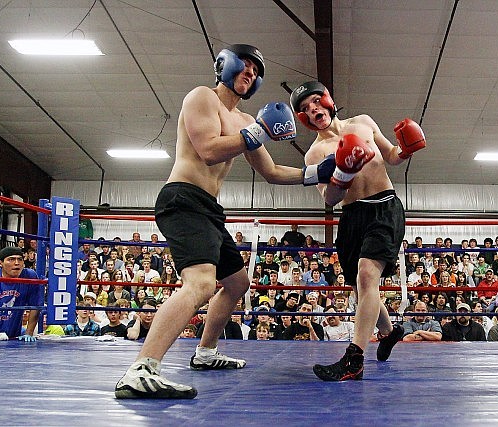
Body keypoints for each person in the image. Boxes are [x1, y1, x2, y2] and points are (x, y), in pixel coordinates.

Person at [115, 44, 337, 399]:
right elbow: (208, 148)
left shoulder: (247, 121)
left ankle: (205, 352)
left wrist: (315, 172)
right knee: (201, 284)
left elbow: (271, 171)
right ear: (226, 66)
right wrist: (259, 132)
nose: (249, 73)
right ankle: (141, 369)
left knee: (236, 283)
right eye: (244, 65)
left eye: (255, 70)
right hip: (182, 197)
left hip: (209, 208)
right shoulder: (202, 97)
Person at [294, 80, 426, 381]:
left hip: (384, 207)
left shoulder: (363, 123)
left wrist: (406, 149)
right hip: (351, 215)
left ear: (328, 100)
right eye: (305, 108)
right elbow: (329, 198)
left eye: (316, 101)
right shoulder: (313, 155)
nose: (313, 109)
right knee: (360, 286)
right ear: (304, 118)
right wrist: (343, 174)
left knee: (368, 275)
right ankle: (389, 333)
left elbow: (391, 155)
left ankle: (354, 359)